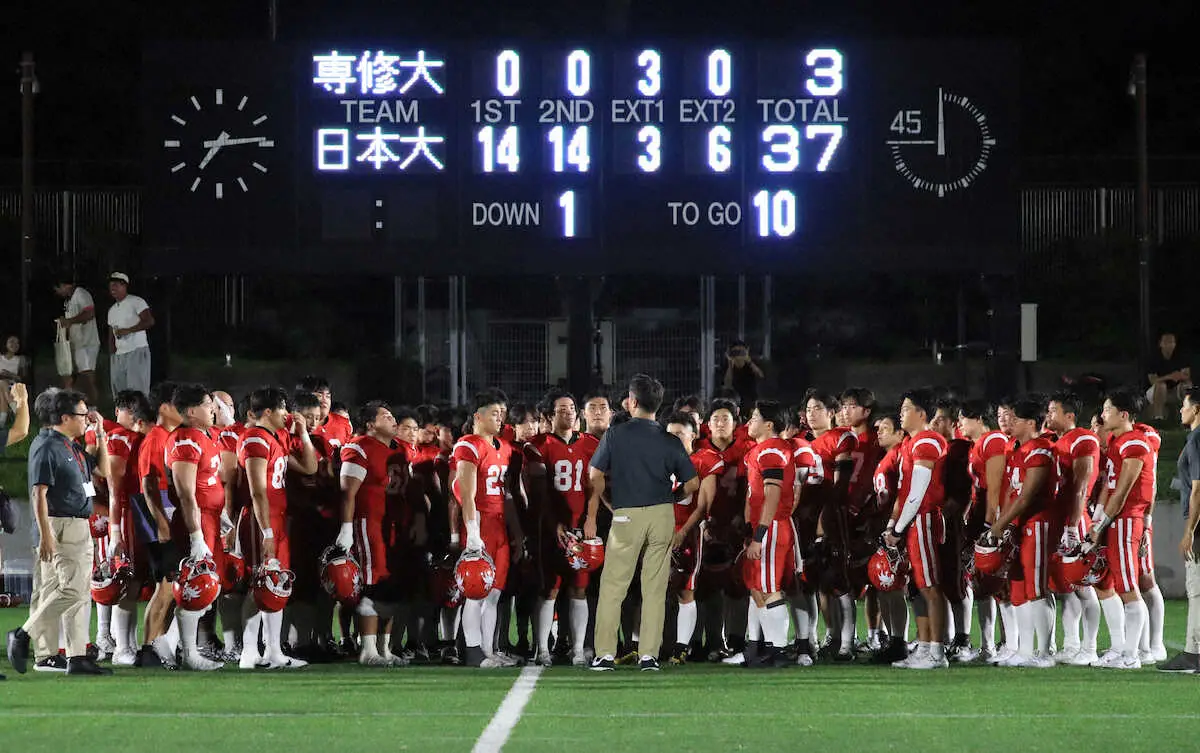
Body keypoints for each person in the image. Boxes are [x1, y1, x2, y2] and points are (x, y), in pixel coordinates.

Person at [587, 374, 698, 672]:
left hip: (626, 514)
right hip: (662, 514)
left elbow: (594, 474)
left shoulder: (615, 434)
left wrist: (608, 503)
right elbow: (692, 483)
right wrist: (671, 499)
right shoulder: (670, 439)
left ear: (632, 402)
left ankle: (605, 654)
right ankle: (649, 655)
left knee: (613, 587)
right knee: (655, 588)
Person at [6, 389, 112, 676]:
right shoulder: (48, 446)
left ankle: (74, 656)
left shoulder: (69, 446)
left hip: (73, 523)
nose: (87, 418)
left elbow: (102, 469)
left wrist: (100, 433)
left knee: (66, 591)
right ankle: (24, 635)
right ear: (65, 418)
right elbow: (38, 493)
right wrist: (46, 535)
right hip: (62, 524)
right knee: (72, 590)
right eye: (82, 414)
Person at [1162, 386, 1200, 672]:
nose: (1180, 410)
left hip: (1199, 524)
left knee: (1196, 588)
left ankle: (1193, 653)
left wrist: (1189, 531)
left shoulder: (1197, 439)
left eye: (1184, 406)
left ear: (1196, 409)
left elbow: (1198, 488)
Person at [106, 272, 155, 397]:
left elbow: (149, 321)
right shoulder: (112, 310)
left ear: (124, 286)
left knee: (137, 392)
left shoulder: (136, 301)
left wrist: (128, 330)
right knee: (120, 391)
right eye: (111, 285)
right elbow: (111, 333)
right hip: (119, 355)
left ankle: (141, 410)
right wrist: (112, 353)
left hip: (136, 350)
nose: (113, 288)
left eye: (116, 285)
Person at [53, 278, 102, 403]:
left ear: (65, 285)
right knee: (75, 377)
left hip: (87, 342)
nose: (58, 293)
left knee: (88, 376)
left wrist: (69, 321)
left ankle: (93, 407)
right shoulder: (68, 300)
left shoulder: (81, 293)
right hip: (77, 343)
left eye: (58, 289)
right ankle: (79, 405)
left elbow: (90, 313)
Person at [1146, 332, 1192, 421]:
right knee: (1161, 386)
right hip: (1155, 391)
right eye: (1166, 342)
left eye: (1172, 342)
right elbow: (1153, 380)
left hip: (1175, 390)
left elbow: (1187, 375)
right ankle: (1158, 418)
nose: (1169, 344)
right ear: (1160, 344)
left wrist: (1179, 376)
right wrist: (1169, 376)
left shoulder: (1181, 357)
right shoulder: (1153, 358)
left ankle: (1188, 418)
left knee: (1187, 386)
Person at [722, 340, 763, 406]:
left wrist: (749, 361)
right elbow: (727, 384)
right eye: (735, 352)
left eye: (741, 352)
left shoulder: (752, 364)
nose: (739, 356)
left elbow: (760, 376)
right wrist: (730, 364)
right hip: (734, 402)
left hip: (751, 400)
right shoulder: (728, 366)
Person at [0, 335, 28, 429]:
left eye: (17, 343)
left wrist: (10, 375)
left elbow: (24, 379)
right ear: (5, 343)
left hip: (13, 387)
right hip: (4, 386)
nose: (15, 345)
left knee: (2, 386)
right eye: (11, 342)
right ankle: (18, 412)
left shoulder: (20, 359)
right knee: (2, 383)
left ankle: (2, 421)